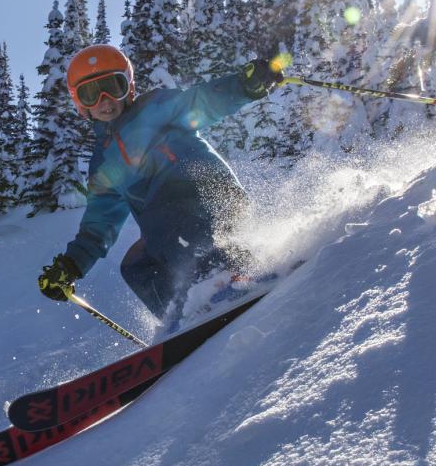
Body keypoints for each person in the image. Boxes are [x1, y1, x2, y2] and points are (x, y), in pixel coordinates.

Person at [37, 44, 286, 324]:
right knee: (136, 265)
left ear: (128, 87)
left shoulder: (155, 108)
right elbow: (100, 222)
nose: (105, 100)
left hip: (209, 191)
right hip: (169, 226)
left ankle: (225, 277)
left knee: (166, 219)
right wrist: (71, 266)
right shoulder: (104, 162)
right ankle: (182, 317)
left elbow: (203, 101)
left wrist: (245, 85)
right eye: (92, 94)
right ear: (80, 104)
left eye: (112, 87)